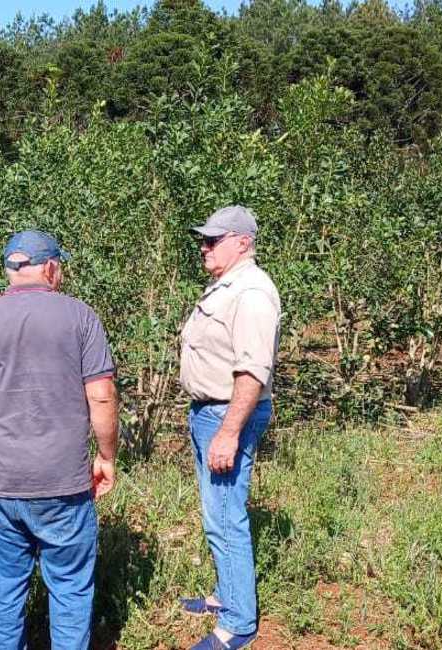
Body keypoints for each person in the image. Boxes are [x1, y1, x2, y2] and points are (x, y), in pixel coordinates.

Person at [0, 230, 120, 650]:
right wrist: (106, 456)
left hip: (3, 482)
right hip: (64, 482)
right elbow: (101, 394)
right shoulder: (81, 317)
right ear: (51, 267)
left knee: (5, 589)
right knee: (70, 589)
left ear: (10, 270)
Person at [178, 206, 281, 650]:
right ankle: (229, 595)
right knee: (217, 513)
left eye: (213, 239)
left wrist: (229, 431)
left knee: (225, 518)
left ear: (242, 242)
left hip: (226, 415)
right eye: (203, 239)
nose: (204, 247)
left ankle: (238, 623)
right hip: (211, 412)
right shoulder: (228, 286)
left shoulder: (253, 292)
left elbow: (252, 371)